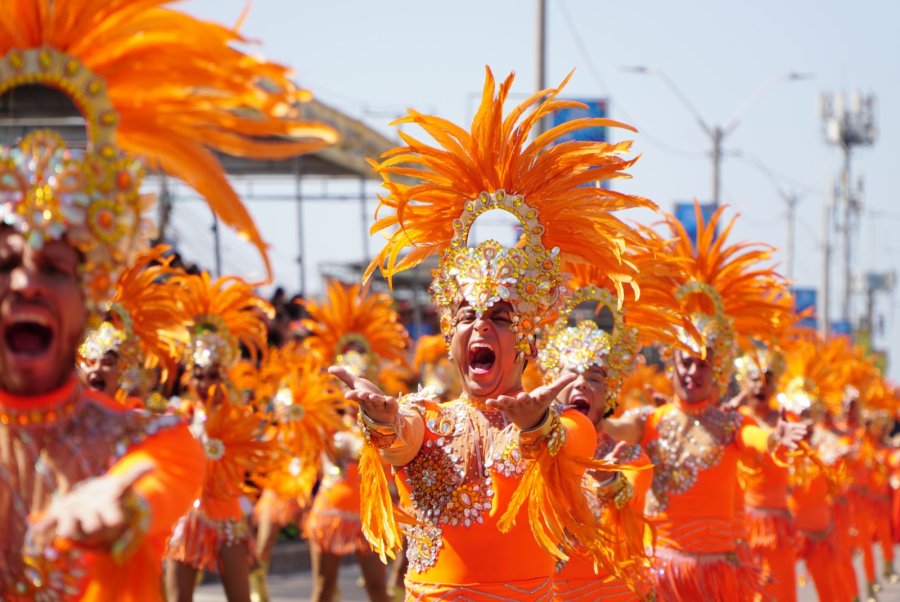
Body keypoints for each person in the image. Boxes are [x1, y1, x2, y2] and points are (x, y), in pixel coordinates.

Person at [335, 68, 655, 599]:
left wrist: (534, 429)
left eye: (501, 316)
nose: (480, 323)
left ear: (527, 341)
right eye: (466, 315)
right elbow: (404, 438)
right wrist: (382, 420)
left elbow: (573, 445)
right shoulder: (428, 420)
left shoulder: (565, 429)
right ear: (452, 337)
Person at [604, 204, 806, 601]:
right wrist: (581, 410)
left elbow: (758, 440)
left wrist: (777, 438)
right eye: (685, 363)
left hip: (718, 578)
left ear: (716, 370)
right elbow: (612, 428)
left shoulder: (731, 424)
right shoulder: (650, 420)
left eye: (702, 365)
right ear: (672, 363)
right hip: (663, 575)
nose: (692, 373)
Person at [164, 271, 278, 602]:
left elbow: (259, 447)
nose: (205, 383)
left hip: (228, 515)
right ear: (189, 376)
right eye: (199, 375)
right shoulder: (178, 415)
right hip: (188, 516)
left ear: (224, 375)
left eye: (212, 375)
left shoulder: (237, 414)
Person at [301, 280, 411, 602]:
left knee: (379, 591)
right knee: (322, 590)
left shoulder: (382, 416)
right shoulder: (325, 417)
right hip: (331, 509)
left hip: (369, 511)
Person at [733, 349, 798, 602]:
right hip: (743, 522)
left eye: (767, 378)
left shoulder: (786, 421)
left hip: (778, 524)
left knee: (780, 590)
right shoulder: (734, 420)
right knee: (748, 592)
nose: (761, 384)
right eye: (754, 378)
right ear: (743, 383)